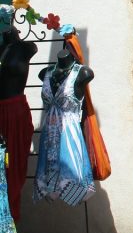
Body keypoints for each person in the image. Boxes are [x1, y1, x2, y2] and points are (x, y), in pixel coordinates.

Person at [34, 49, 95, 206]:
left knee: (72, 174)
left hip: (69, 137)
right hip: (48, 135)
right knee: (48, 174)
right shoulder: (46, 73)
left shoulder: (83, 73)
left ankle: (74, 193)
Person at [0, 27, 37, 221]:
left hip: (15, 114)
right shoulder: (2, 48)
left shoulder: (26, 48)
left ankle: (9, 219)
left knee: (11, 165)